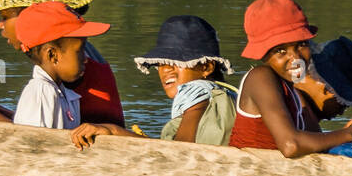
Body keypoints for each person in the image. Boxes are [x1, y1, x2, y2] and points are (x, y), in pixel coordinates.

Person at [228, 0, 352, 155]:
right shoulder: (260, 77)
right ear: (263, 55)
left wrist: (351, 132)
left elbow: (312, 148)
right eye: (280, 51)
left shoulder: (294, 95)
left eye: (301, 44)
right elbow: (290, 145)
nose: (296, 58)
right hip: (246, 175)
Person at [71, 15, 236, 149]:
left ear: (206, 66)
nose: (165, 70)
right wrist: (113, 130)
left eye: (176, 62)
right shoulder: (226, 94)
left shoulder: (195, 91)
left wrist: (113, 130)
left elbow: (179, 154)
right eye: (161, 63)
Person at [11, 2, 111, 130]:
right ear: (53, 55)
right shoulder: (41, 92)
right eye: (79, 51)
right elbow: (32, 145)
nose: (86, 59)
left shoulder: (67, 95)